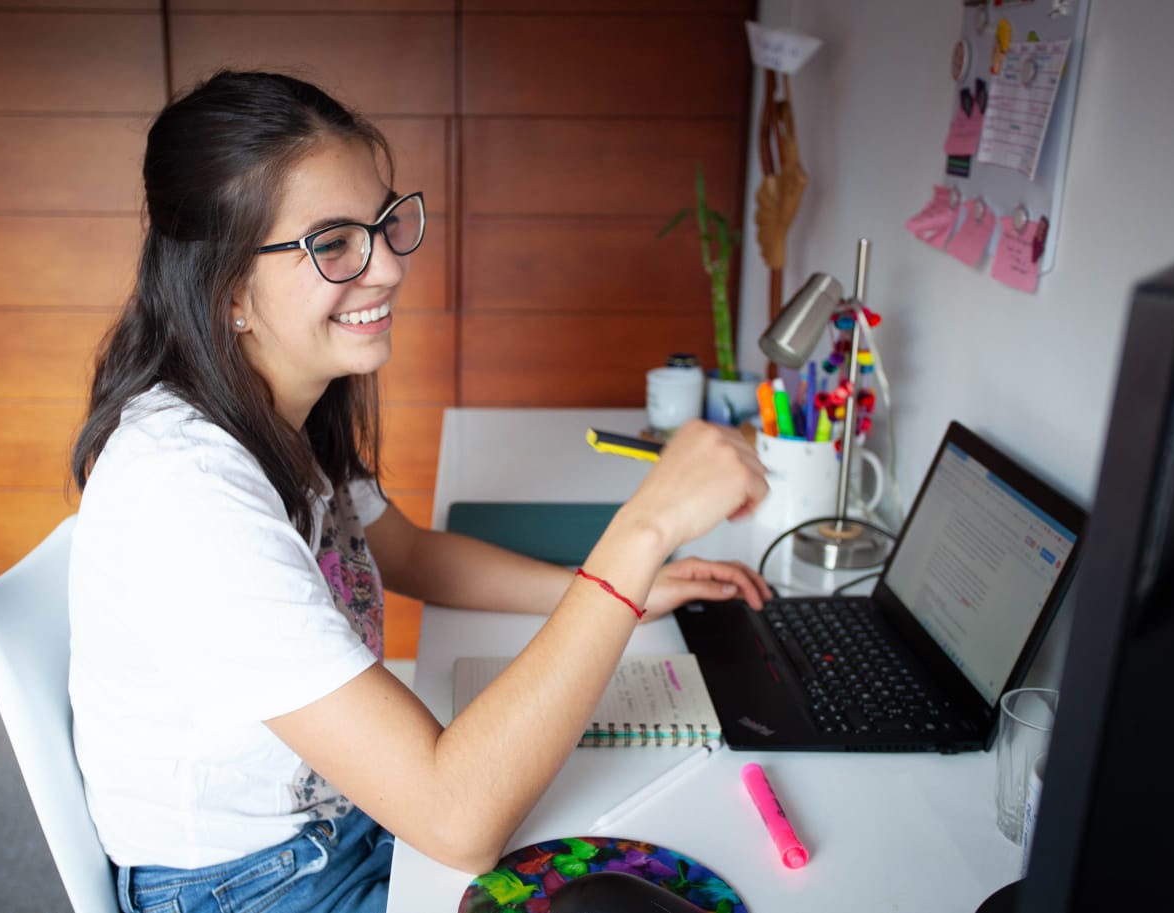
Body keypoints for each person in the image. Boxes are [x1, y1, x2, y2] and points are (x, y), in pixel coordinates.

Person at [67, 69, 772, 913]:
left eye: (385, 223)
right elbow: (456, 816)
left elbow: (406, 552)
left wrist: (616, 595)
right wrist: (638, 535)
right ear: (225, 292)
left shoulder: (279, 401)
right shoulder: (189, 492)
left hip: (346, 820)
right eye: (332, 243)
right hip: (255, 884)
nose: (389, 267)